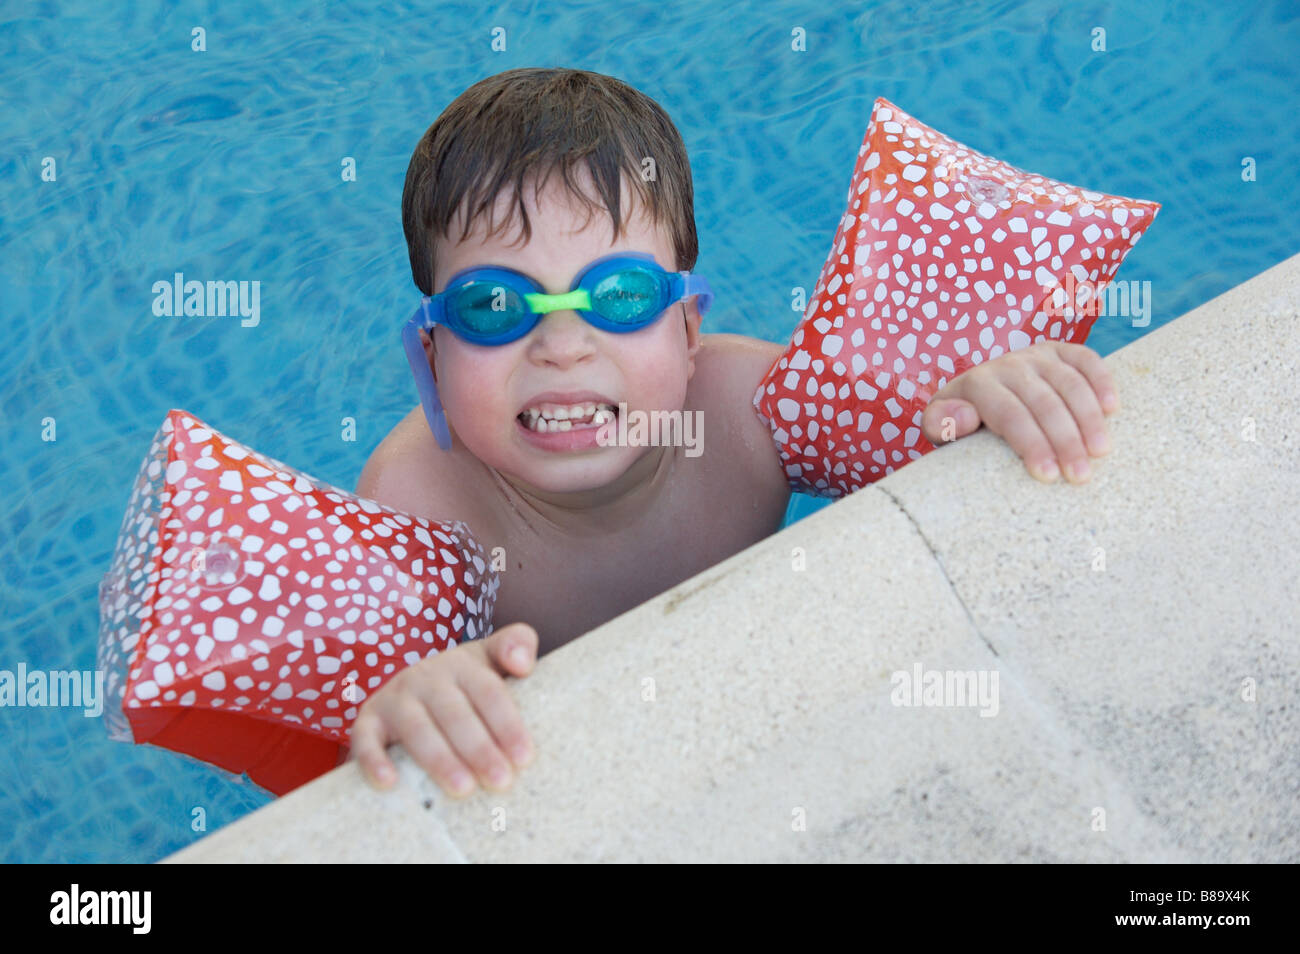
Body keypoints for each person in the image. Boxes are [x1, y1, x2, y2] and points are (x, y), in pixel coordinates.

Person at [345, 67, 1119, 799]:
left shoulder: (751, 413)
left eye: (620, 294)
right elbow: (376, 733)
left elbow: (938, 470)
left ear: (688, 331)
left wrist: (982, 404)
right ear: (431, 354)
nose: (563, 346)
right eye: (494, 307)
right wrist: (410, 697)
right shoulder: (414, 506)